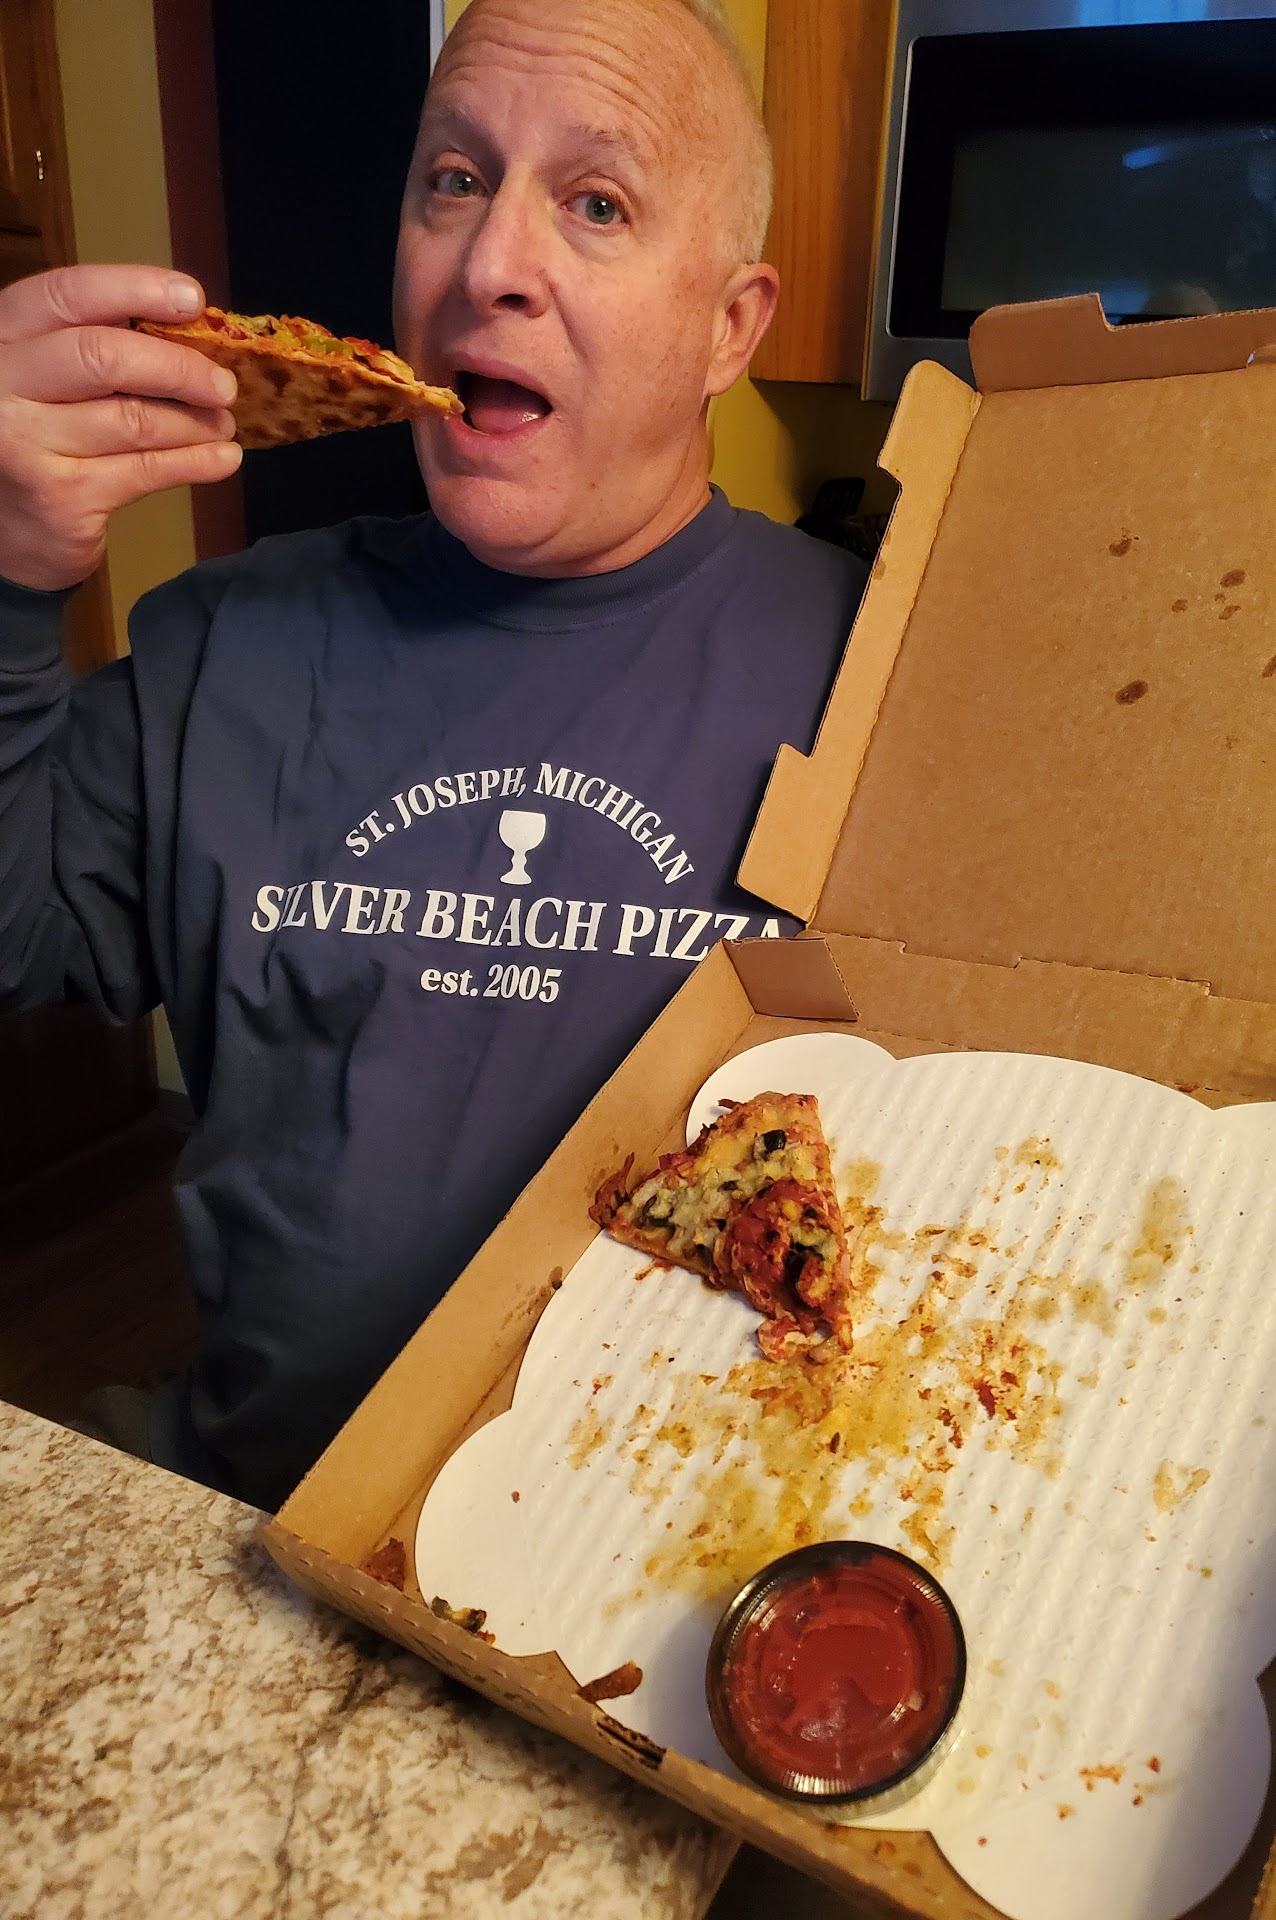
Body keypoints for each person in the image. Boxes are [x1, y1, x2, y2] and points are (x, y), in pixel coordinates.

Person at [0, 0, 866, 1510]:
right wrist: (7, 577)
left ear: (731, 326)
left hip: (684, 1554)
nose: (487, 264)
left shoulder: (883, 675)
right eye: (453, 181)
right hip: (257, 1513)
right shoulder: (228, 642)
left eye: (596, 203)